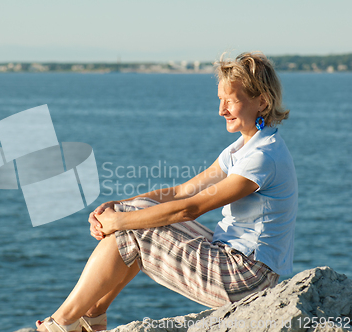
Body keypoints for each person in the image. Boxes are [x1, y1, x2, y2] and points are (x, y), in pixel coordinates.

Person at [35, 52, 298, 332]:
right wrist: (117, 206)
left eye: (230, 101)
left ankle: (61, 323)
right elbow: (182, 191)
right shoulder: (241, 149)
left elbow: (191, 208)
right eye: (220, 100)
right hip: (234, 262)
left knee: (134, 227)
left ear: (262, 101)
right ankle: (92, 315)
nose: (221, 110)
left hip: (246, 278)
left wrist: (119, 221)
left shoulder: (263, 157)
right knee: (134, 214)